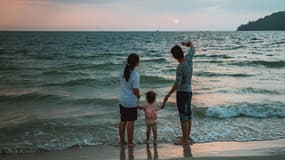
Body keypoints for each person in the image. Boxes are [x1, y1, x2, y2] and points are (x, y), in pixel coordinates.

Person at [163, 41, 195, 145]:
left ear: (174, 56)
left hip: (182, 93)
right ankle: (187, 136)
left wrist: (168, 95)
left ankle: (184, 140)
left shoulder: (180, 67)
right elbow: (193, 47)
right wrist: (187, 44)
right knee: (188, 114)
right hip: (189, 91)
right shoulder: (189, 58)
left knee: (183, 116)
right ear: (181, 52)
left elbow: (177, 84)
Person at [119, 53, 140, 147]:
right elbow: (136, 90)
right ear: (136, 63)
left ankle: (122, 141)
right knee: (131, 122)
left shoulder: (122, 72)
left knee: (123, 121)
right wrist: (139, 96)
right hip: (131, 102)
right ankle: (130, 142)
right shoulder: (135, 75)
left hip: (122, 100)